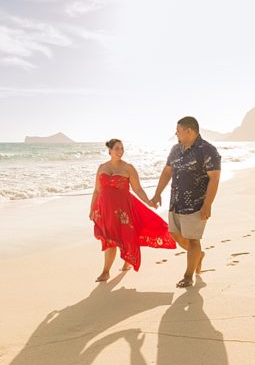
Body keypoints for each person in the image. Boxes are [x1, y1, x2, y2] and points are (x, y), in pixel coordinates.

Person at [90, 139, 176, 282]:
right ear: (109, 151)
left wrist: (149, 202)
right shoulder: (101, 167)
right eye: (117, 148)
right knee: (109, 239)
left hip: (123, 210)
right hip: (105, 210)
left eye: (122, 148)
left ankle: (127, 262)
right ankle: (106, 272)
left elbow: (137, 189)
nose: (120, 151)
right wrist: (92, 208)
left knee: (126, 237)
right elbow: (97, 190)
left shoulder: (128, 168)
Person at [151, 117, 221, 288]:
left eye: (178, 130)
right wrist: (157, 193)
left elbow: (214, 179)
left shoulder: (208, 150)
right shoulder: (175, 149)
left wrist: (207, 205)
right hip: (175, 202)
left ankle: (188, 276)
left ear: (189, 131)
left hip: (196, 205)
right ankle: (198, 255)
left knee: (193, 240)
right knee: (175, 235)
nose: (176, 133)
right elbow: (167, 172)